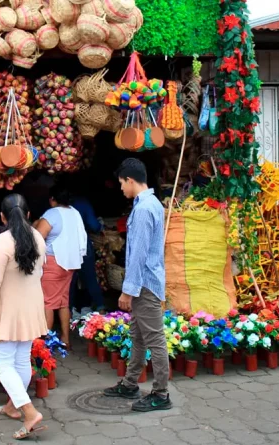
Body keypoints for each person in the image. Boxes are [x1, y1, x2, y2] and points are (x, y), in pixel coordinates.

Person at [0, 194, 48, 440]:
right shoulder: (38, 237)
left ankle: (29, 412)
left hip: (9, 309)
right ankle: (12, 406)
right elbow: (40, 271)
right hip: (31, 306)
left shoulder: (3, 241)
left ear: (2, 217)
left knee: (2, 363)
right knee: (20, 359)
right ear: (29, 215)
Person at [103, 158, 171, 412]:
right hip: (146, 282)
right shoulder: (150, 203)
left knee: (154, 339)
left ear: (130, 181)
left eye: (122, 184)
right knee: (138, 336)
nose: (121, 188)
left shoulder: (143, 209)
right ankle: (131, 383)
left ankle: (161, 394)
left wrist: (128, 291)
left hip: (145, 285)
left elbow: (139, 254)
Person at [33, 185, 87, 347]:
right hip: (70, 264)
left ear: (52, 200)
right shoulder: (74, 212)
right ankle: (66, 339)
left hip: (53, 262)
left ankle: (44, 344)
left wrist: (35, 224)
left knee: (47, 303)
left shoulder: (52, 213)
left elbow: (37, 238)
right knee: (63, 302)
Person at [69, 194, 105, 314]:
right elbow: (94, 225)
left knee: (69, 280)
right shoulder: (83, 202)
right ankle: (100, 308)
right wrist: (100, 225)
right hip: (83, 244)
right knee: (90, 278)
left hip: (65, 247)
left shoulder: (56, 206)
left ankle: (70, 310)